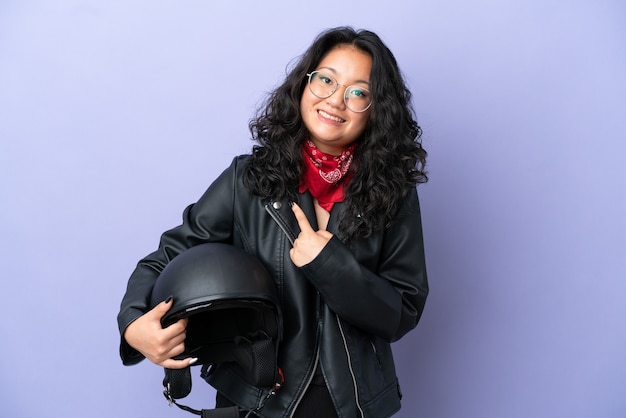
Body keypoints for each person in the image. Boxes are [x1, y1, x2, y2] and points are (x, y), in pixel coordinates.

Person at [117, 26, 428, 418]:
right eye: (326, 80)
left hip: (349, 405)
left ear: (376, 108)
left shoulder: (393, 193)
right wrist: (133, 326)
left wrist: (328, 263)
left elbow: (401, 312)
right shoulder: (246, 180)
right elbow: (166, 257)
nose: (336, 100)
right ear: (304, 84)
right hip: (255, 396)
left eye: (358, 92)